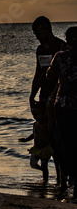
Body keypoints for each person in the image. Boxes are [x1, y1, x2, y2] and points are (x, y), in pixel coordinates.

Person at [28, 16, 66, 186]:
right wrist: (32, 94)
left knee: (58, 136)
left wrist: (53, 97)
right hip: (44, 96)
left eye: (39, 32)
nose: (37, 36)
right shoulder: (40, 49)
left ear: (47, 29)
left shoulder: (60, 47)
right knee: (47, 135)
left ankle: (62, 175)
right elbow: (38, 73)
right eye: (35, 33)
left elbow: (63, 76)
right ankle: (47, 176)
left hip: (58, 96)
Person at [47, 26, 77, 197]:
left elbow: (50, 76)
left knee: (65, 144)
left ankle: (66, 179)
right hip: (68, 107)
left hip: (64, 106)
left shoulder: (61, 56)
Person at [19, 101, 53, 181]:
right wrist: (26, 139)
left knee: (44, 165)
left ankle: (45, 180)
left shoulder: (47, 125)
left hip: (45, 149)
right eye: (33, 115)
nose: (35, 117)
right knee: (33, 164)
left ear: (44, 113)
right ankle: (43, 171)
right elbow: (34, 134)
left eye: (37, 115)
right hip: (36, 148)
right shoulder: (35, 124)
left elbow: (51, 136)